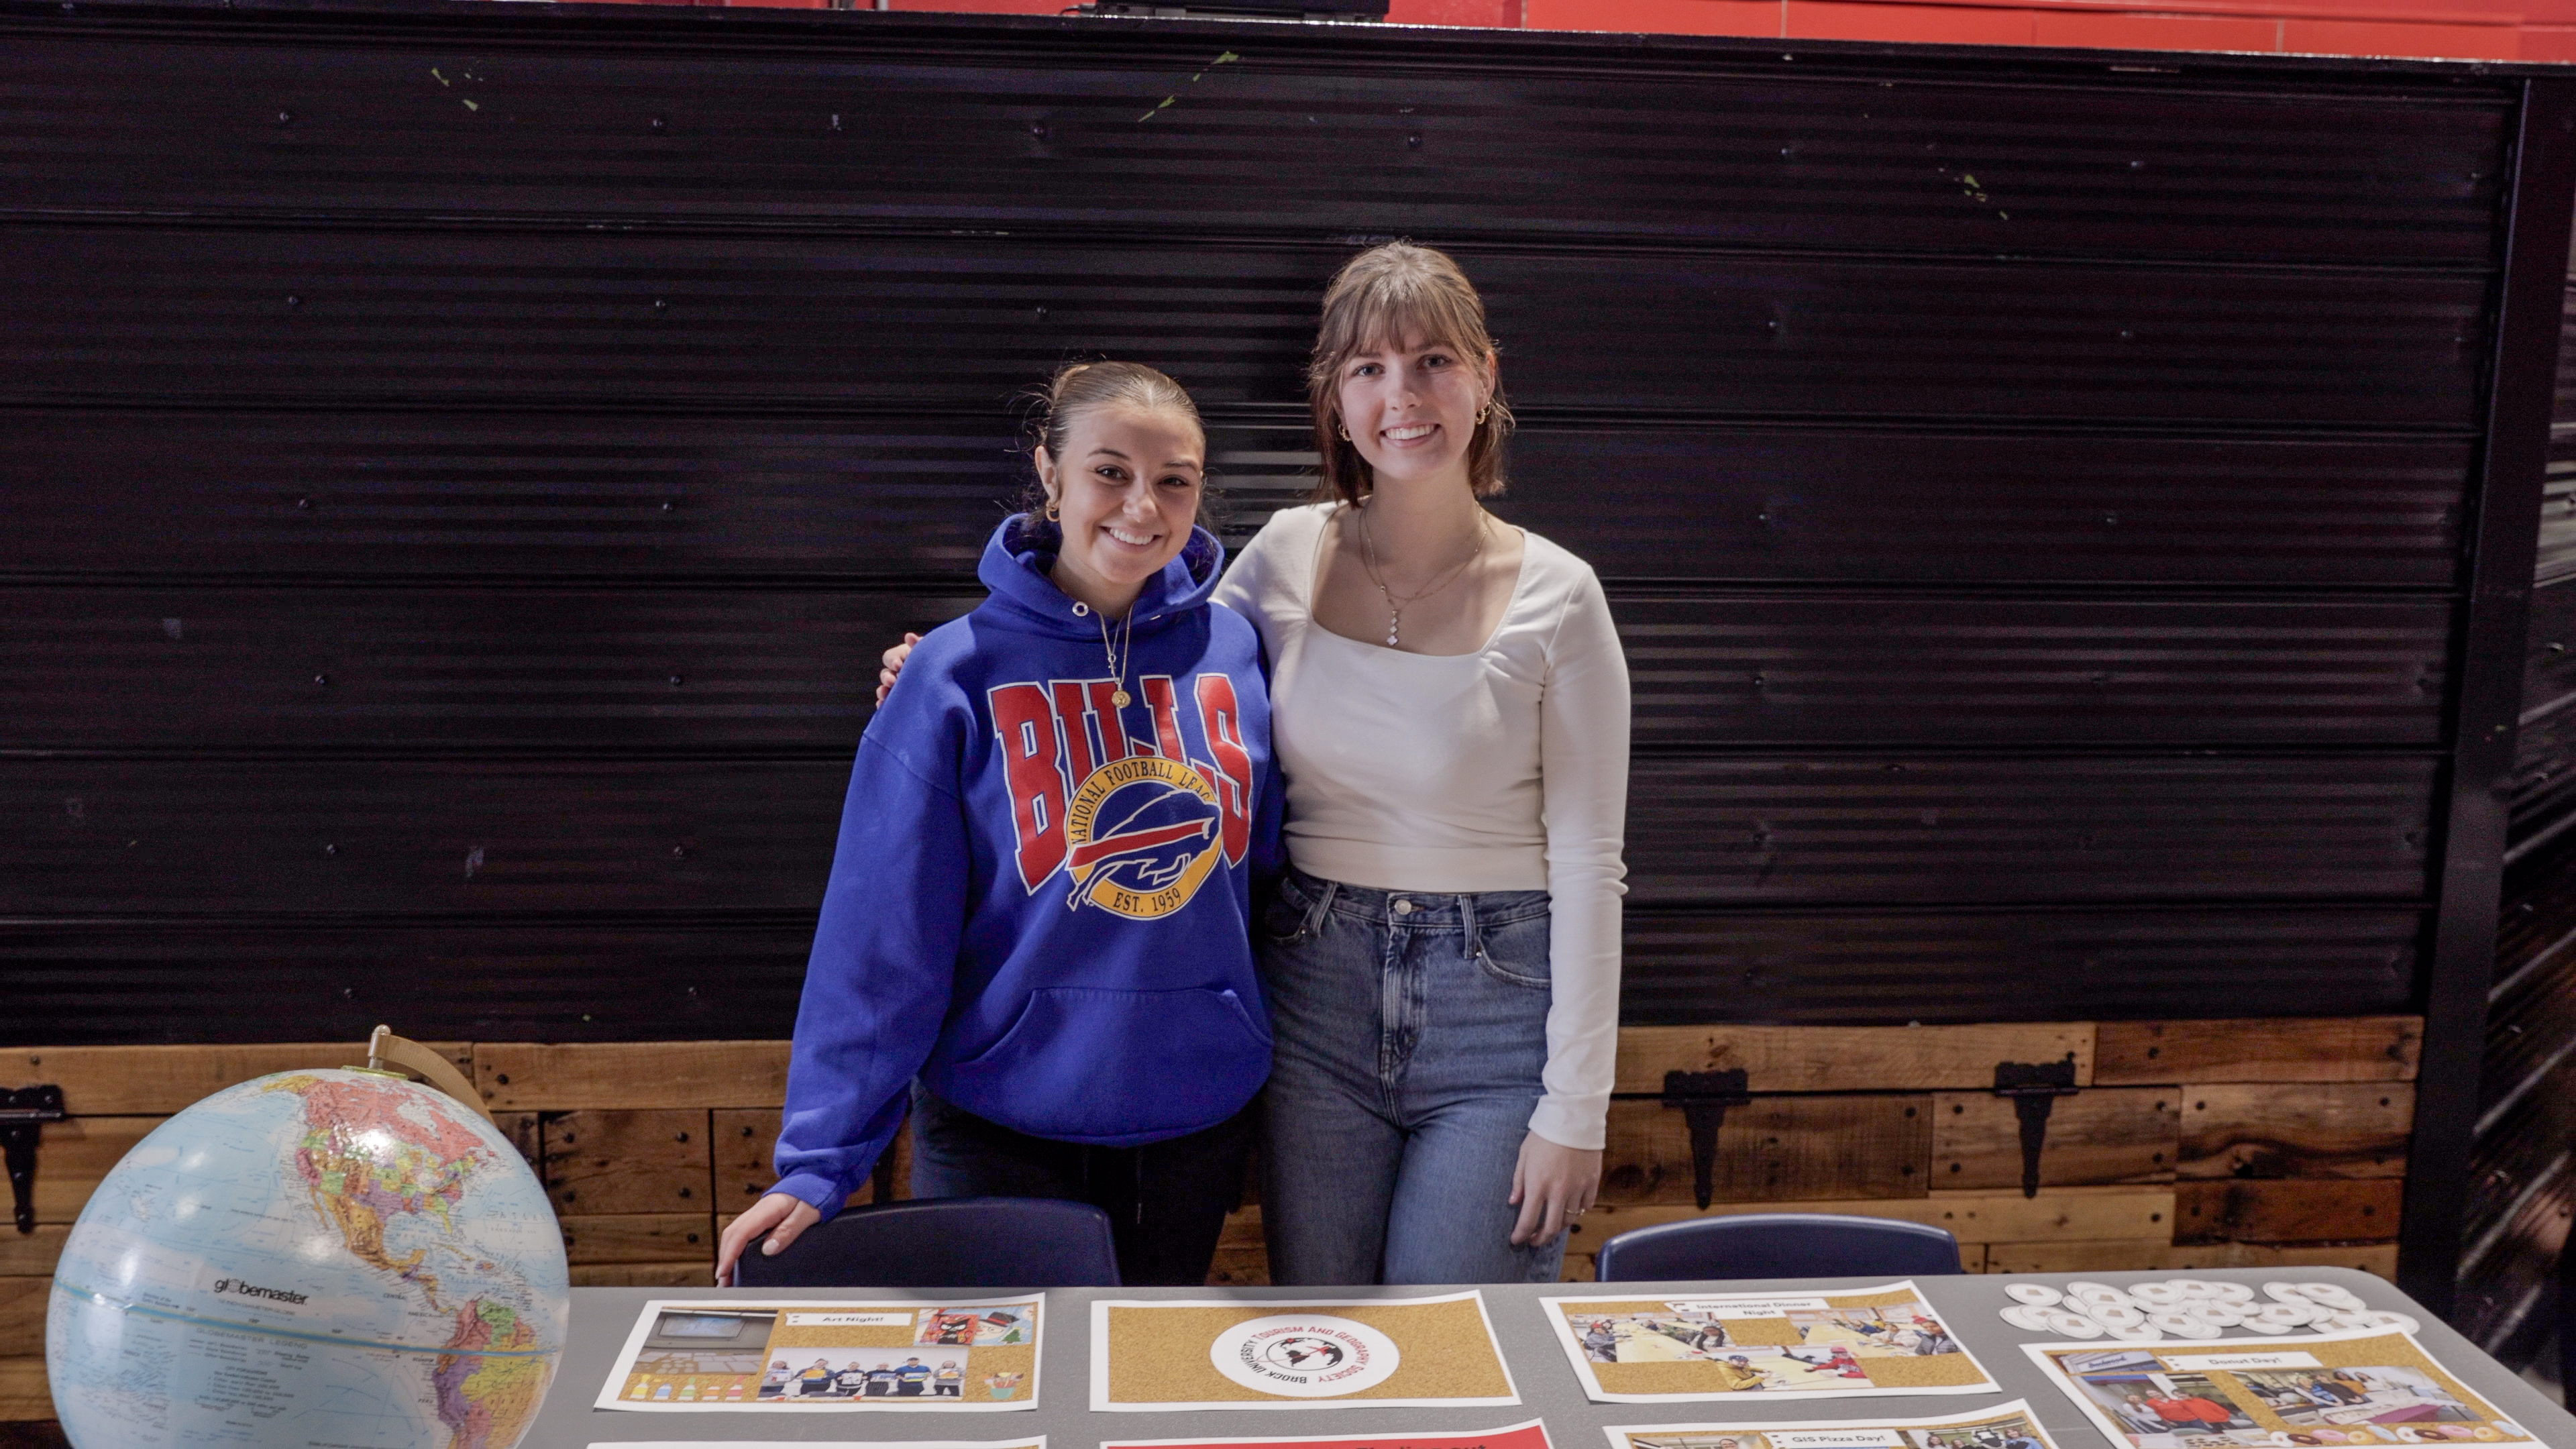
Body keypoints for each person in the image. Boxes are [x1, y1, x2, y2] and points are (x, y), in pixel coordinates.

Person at [872, 245, 1630, 1283]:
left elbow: (1591, 861)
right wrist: (954, 666)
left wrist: (1577, 1106)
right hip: (1313, 987)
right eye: (1367, 368)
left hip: (1494, 1004)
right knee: (1326, 1338)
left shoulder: (1563, 594)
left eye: (1433, 362)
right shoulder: (1284, 553)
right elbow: (1140, 666)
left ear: (1486, 375)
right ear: (1335, 394)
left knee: (1456, 1353)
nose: (1401, 397)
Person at [713, 360, 1283, 1291]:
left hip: (1192, 1132)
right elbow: (883, 936)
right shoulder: (951, 675)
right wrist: (823, 1162)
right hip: (1000, 1130)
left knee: (1137, 1412)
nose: (1143, 506)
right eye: (1111, 471)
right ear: (1050, 477)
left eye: (1173, 480)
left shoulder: (1238, 652)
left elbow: (1262, 878)